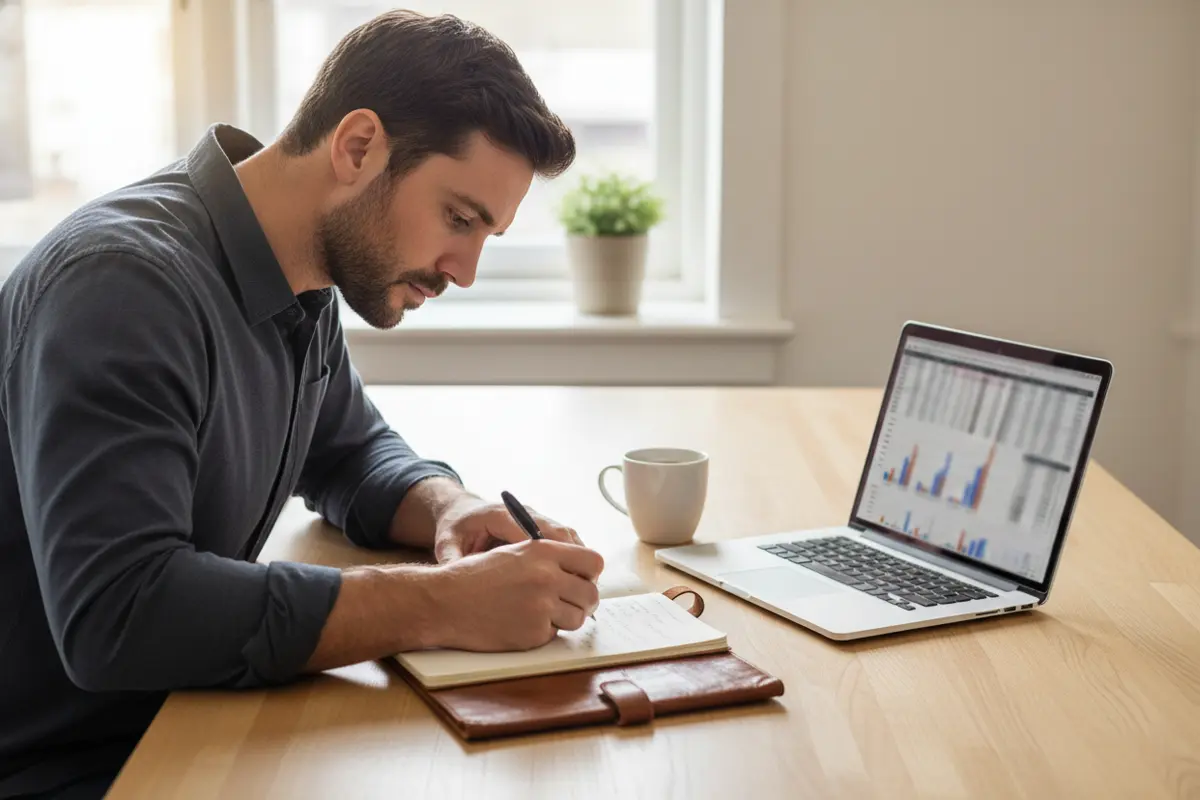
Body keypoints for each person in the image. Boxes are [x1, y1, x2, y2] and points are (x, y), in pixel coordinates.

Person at [0, 10, 603, 799]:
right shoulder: (122, 288)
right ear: (357, 148)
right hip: (66, 768)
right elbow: (122, 615)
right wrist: (438, 605)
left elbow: (349, 451)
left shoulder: (301, 275)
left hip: (182, 723)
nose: (465, 270)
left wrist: (449, 508)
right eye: (459, 219)